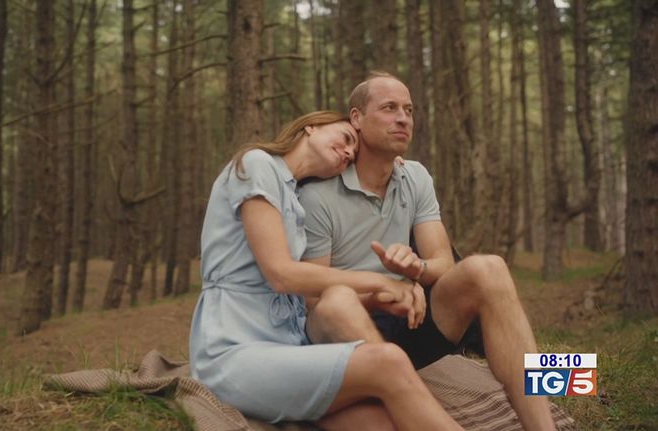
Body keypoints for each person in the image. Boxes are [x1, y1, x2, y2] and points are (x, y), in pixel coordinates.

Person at [299, 71, 557, 430]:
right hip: (348, 337)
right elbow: (314, 301)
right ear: (356, 118)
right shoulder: (317, 194)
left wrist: (417, 269)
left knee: (490, 268)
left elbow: (443, 263)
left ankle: (550, 418)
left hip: (416, 320)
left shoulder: (415, 176)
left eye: (409, 110)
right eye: (389, 108)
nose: (403, 119)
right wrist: (385, 292)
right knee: (336, 303)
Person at [189, 110, 465, 430]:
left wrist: (390, 165)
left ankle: (526, 389)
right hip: (235, 349)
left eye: (352, 156)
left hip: (293, 347)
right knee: (387, 361)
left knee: (381, 422)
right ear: (311, 126)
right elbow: (281, 274)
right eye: (345, 138)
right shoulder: (257, 165)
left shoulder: (297, 198)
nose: (348, 152)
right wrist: (380, 283)